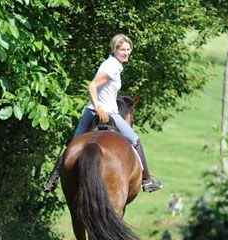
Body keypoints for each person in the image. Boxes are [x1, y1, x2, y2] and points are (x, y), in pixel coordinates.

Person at [44, 34, 162, 193]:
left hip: (89, 111)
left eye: (128, 49)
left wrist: (95, 106)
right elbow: (91, 86)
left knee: (74, 143)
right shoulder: (112, 67)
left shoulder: (112, 64)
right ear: (115, 49)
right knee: (135, 140)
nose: (126, 53)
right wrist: (99, 108)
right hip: (107, 112)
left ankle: (52, 179)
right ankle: (147, 181)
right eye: (122, 49)